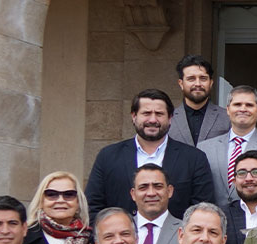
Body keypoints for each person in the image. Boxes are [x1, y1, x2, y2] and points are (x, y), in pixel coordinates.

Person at [85, 89, 217, 220]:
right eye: (146, 113)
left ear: (170, 118)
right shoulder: (108, 156)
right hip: (120, 239)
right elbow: (93, 207)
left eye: (159, 114)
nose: (153, 120)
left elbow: (203, 210)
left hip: (175, 239)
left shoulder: (194, 158)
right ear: (134, 116)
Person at [200, 85, 257, 209]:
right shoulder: (205, 148)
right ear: (228, 110)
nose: (243, 109)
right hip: (212, 220)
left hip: (255, 220)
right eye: (237, 104)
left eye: (249, 105)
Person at [25, 171, 98, 244]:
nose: (60, 200)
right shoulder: (25, 238)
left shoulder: (91, 239)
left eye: (69, 194)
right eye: (51, 194)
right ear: (41, 201)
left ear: (78, 202)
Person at [129, 165, 182, 244]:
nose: (151, 193)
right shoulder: (118, 231)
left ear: (169, 191)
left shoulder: (186, 230)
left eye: (158, 186)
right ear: (133, 194)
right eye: (143, 187)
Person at [170, 55, 230, 146]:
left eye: (203, 78)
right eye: (191, 79)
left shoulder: (227, 118)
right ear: (181, 83)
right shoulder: (168, 119)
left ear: (211, 83)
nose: (197, 84)